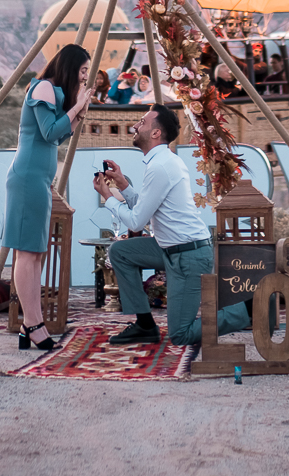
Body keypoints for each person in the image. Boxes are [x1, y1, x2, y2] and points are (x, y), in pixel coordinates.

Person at [94, 106, 252, 346]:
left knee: (181, 334)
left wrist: (109, 197)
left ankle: (251, 309)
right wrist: (123, 183)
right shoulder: (161, 162)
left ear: (156, 133)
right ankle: (145, 324)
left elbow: (136, 221)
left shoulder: (161, 167)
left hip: (188, 256)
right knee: (120, 252)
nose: (135, 126)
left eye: (142, 122)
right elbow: (146, 213)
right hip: (169, 248)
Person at [5, 43, 91, 350]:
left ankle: (29, 325)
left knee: (37, 252)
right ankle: (35, 324)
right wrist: (76, 107)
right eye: (82, 71)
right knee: (27, 253)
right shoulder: (43, 88)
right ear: (69, 67)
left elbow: (60, 133)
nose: (84, 77)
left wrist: (77, 111)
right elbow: (50, 133)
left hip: (39, 179)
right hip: (27, 177)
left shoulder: (54, 94)